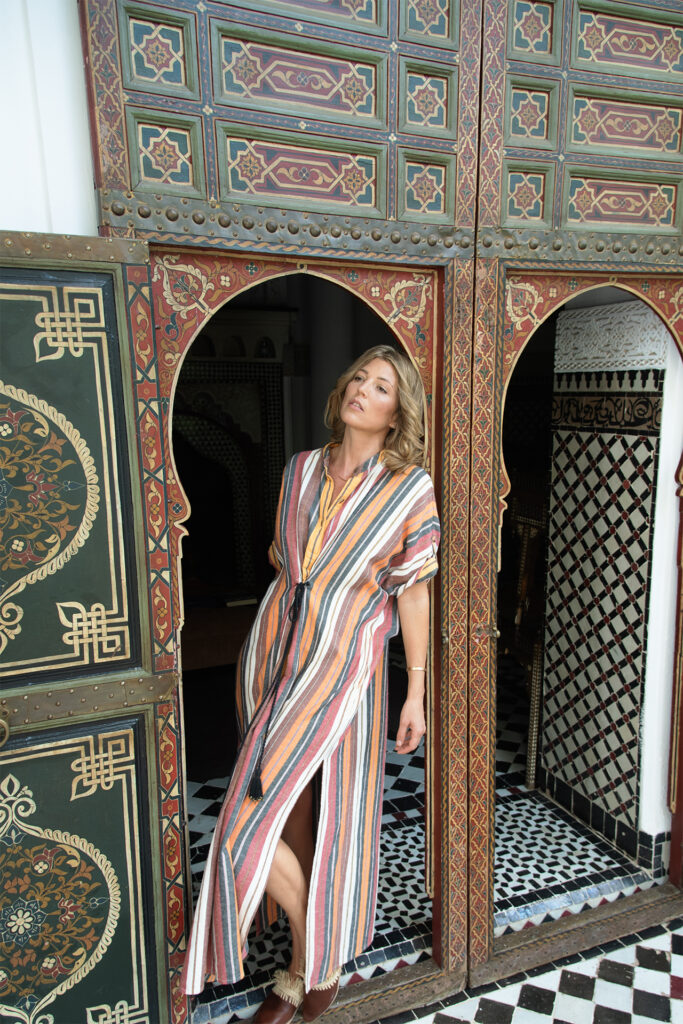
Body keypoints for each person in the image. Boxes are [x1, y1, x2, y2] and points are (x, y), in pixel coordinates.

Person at [181, 344, 440, 1024]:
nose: (362, 388)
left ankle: (312, 965)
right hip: (270, 658)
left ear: (396, 412)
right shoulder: (298, 470)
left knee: (248, 826)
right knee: (281, 815)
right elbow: (281, 560)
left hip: (340, 669)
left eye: (380, 385)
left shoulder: (409, 488)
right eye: (357, 376)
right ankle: (310, 962)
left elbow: (412, 595)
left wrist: (413, 692)